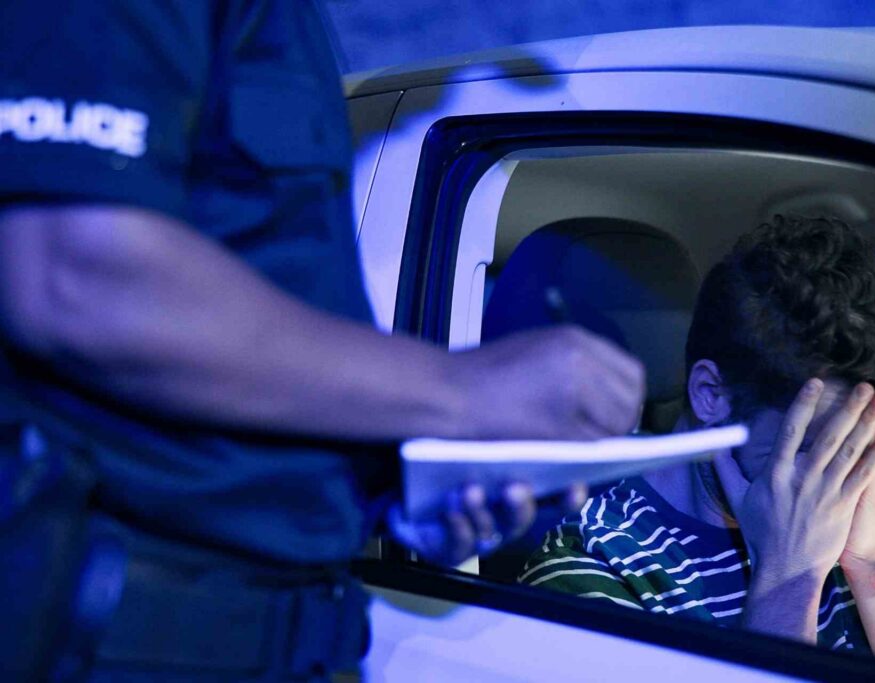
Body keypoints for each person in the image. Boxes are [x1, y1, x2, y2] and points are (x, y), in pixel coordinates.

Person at [0, 1, 645, 680]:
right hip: (121, 637)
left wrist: (394, 495)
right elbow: (71, 275)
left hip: (283, 634)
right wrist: (465, 389)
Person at [520, 216, 875, 655]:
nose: (853, 477)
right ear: (712, 395)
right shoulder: (592, 570)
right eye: (824, 449)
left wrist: (873, 564)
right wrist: (787, 576)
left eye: (868, 443)